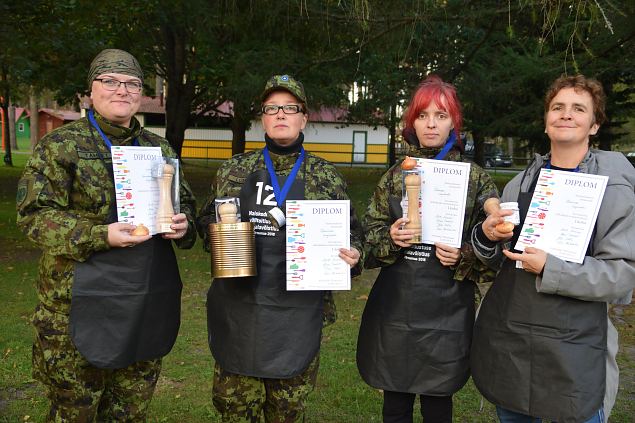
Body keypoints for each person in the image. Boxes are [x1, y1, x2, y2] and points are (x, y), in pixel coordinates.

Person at [16, 48, 197, 421]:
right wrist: (100, 235)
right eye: (110, 81)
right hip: (76, 307)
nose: (122, 90)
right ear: (91, 90)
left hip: (143, 302)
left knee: (129, 413)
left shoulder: (157, 148)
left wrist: (182, 225)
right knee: (74, 413)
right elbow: (34, 216)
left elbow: (186, 209)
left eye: (132, 83)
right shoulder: (61, 146)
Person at [196, 74, 363, 422]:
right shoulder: (233, 171)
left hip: (297, 315)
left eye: (290, 107)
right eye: (272, 108)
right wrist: (220, 234)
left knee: (287, 412)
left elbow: (354, 235)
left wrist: (353, 254)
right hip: (239, 310)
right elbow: (203, 224)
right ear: (263, 118)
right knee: (236, 411)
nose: (281, 114)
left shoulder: (326, 177)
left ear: (304, 118)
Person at [470, 75, 635, 423]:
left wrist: (551, 267)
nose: (566, 114)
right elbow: (495, 262)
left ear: (595, 124)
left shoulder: (614, 188)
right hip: (515, 339)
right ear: (546, 120)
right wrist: (487, 236)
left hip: (575, 350)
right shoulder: (523, 182)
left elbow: (622, 277)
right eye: (557, 107)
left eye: (578, 109)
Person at [356, 75, 498, 423]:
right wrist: (390, 237)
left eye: (441, 115)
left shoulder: (474, 177)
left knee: (438, 399)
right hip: (396, 308)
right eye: (423, 115)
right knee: (396, 398)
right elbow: (366, 239)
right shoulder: (394, 176)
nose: (431, 123)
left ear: (454, 122)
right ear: (412, 122)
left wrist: (464, 254)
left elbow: (495, 251)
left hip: (447, 310)